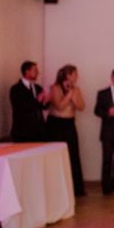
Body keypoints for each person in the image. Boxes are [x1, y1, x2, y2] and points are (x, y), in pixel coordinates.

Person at [47, 65, 86, 197]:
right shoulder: (55, 88)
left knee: (73, 155)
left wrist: (74, 95)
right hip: (56, 125)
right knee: (57, 156)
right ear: (68, 75)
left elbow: (81, 107)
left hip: (70, 124)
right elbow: (59, 106)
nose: (77, 77)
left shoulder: (77, 89)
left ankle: (76, 188)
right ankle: (57, 189)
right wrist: (70, 94)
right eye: (75, 74)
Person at [10, 60, 48, 142]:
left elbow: (43, 107)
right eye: (35, 70)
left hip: (39, 132)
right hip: (23, 133)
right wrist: (38, 100)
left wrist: (46, 101)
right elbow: (21, 108)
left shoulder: (38, 88)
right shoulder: (16, 89)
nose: (38, 73)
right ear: (27, 72)